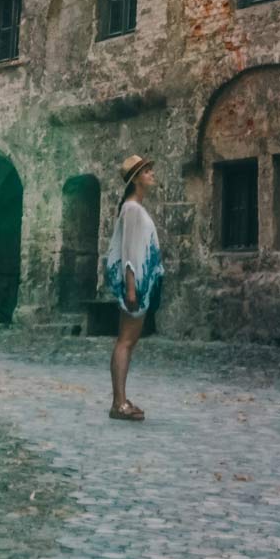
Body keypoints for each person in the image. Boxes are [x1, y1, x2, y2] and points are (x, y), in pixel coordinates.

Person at [104, 153, 163, 422]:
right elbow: (129, 252)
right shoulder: (131, 209)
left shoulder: (135, 208)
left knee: (129, 341)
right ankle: (118, 403)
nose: (152, 174)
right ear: (137, 178)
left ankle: (121, 399)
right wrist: (131, 289)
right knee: (125, 342)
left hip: (139, 283)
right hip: (134, 285)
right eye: (147, 171)